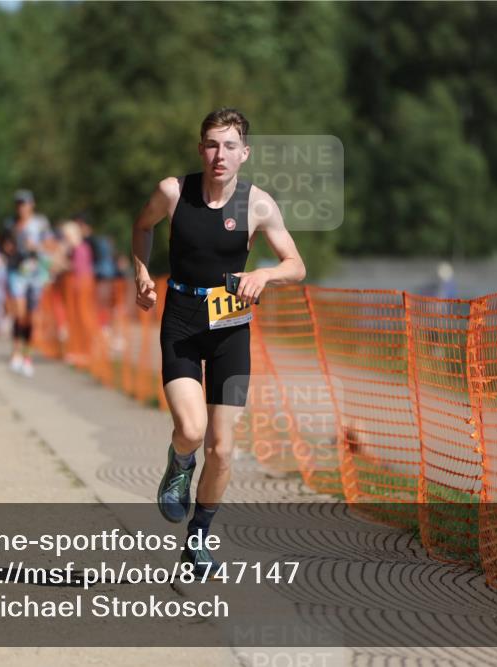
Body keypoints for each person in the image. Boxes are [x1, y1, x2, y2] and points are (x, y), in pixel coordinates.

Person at [131, 108, 306, 576]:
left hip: (231, 330)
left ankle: (199, 539)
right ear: (200, 148)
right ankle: (178, 463)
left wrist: (265, 275)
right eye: (211, 144)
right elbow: (141, 226)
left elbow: (297, 264)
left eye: (230, 146)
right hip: (183, 322)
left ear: (244, 153)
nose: (219, 155)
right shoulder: (174, 192)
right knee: (191, 431)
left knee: (224, 448)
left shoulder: (258, 205)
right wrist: (142, 272)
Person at [5, 189, 52, 377]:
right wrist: (10, 248)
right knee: (19, 312)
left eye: (24, 203)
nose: (21, 207)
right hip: (17, 272)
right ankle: (15, 352)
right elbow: (5, 245)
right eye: (18, 204)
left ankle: (27, 356)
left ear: (32, 204)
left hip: (35, 273)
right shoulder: (11, 224)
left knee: (31, 317)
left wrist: (37, 247)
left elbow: (50, 245)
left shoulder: (40, 223)